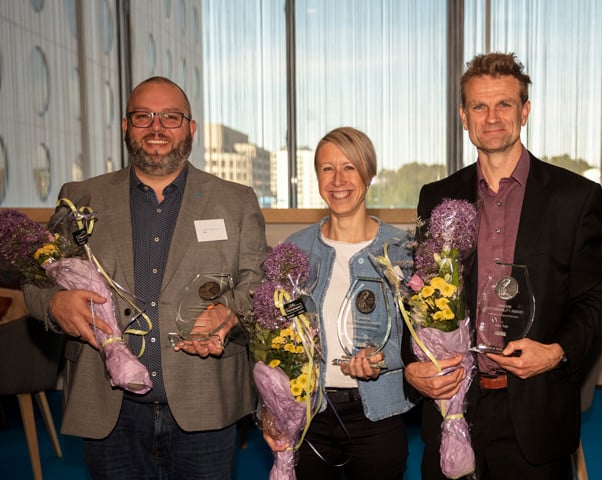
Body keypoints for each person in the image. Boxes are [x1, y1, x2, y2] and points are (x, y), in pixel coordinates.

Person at [23, 76, 267, 479]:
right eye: (143, 116)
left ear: (191, 128)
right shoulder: (80, 197)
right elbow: (36, 279)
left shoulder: (236, 200)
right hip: (108, 409)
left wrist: (230, 312)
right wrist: (52, 303)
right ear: (125, 126)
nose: (157, 127)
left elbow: (256, 283)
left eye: (170, 117)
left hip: (205, 405)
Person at [403, 52, 602, 479]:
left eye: (504, 105)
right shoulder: (437, 196)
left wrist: (555, 353)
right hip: (452, 406)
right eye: (479, 106)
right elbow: (418, 296)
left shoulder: (574, 198)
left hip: (535, 412)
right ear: (464, 116)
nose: (492, 116)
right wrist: (415, 366)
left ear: (525, 111)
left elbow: (593, 299)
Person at [261, 127, 414, 479]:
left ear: (369, 173)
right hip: (308, 416)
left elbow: (418, 337)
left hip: (378, 416)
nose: (338, 180)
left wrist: (382, 358)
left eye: (349, 167)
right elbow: (272, 337)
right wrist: (270, 409)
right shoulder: (294, 250)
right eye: (327, 168)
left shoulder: (400, 249)